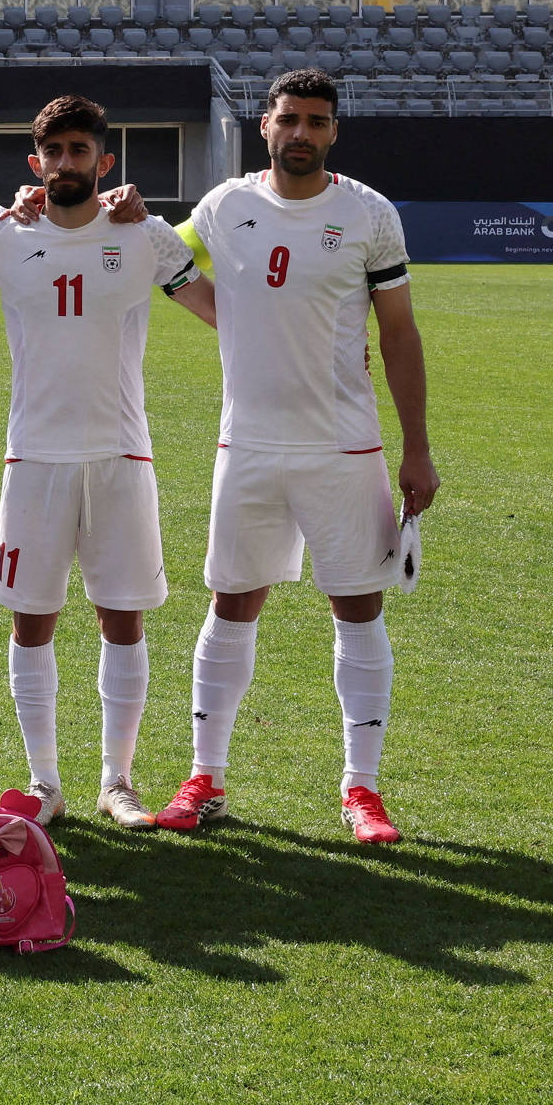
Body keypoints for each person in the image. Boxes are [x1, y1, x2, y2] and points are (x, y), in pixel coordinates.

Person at [154, 68, 437, 844]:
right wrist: (229, 324)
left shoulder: (369, 214)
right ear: (265, 127)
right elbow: (161, 258)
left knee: (359, 608)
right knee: (232, 603)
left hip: (345, 447)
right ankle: (204, 777)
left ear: (334, 131)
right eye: (289, 119)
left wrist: (417, 449)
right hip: (246, 445)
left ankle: (362, 791)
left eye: (317, 121)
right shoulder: (225, 205)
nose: (302, 133)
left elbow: (400, 334)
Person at [0, 95, 215, 827]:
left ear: (105, 161)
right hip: (33, 457)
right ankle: (45, 784)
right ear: (35, 164)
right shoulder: (2, 239)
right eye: (53, 153)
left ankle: (116, 781)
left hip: (121, 454)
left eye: (79, 151)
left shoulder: (146, 235)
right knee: (31, 621)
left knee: (121, 619)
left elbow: (225, 312)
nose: (66, 163)